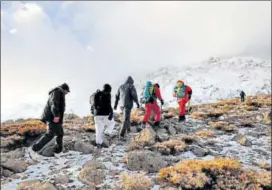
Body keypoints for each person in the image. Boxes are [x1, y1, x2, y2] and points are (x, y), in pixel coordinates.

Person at [31, 83, 70, 154]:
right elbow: (54, 104)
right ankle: (35, 148)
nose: (67, 93)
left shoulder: (60, 93)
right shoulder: (56, 92)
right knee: (50, 134)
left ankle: (58, 149)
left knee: (60, 133)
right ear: (64, 89)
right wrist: (56, 116)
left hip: (55, 117)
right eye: (67, 91)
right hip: (52, 117)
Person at [114, 76, 140, 140]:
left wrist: (115, 104)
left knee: (127, 117)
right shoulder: (131, 86)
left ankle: (128, 130)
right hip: (127, 104)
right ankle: (121, 135)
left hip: (122, 106)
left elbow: (117, 96)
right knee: (125, 119)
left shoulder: (121, 86)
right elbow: (134, 94)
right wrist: (137, 102)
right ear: (131, 81)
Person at [93, 84, 115, 148]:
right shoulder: (108, 94)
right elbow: (109, 105)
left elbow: (94, 105)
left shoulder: (97, 94)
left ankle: (98, 143)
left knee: (99, 129)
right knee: (112, 123)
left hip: (97, 115)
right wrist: (111, 113)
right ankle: (107, 132)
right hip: (105, 114)